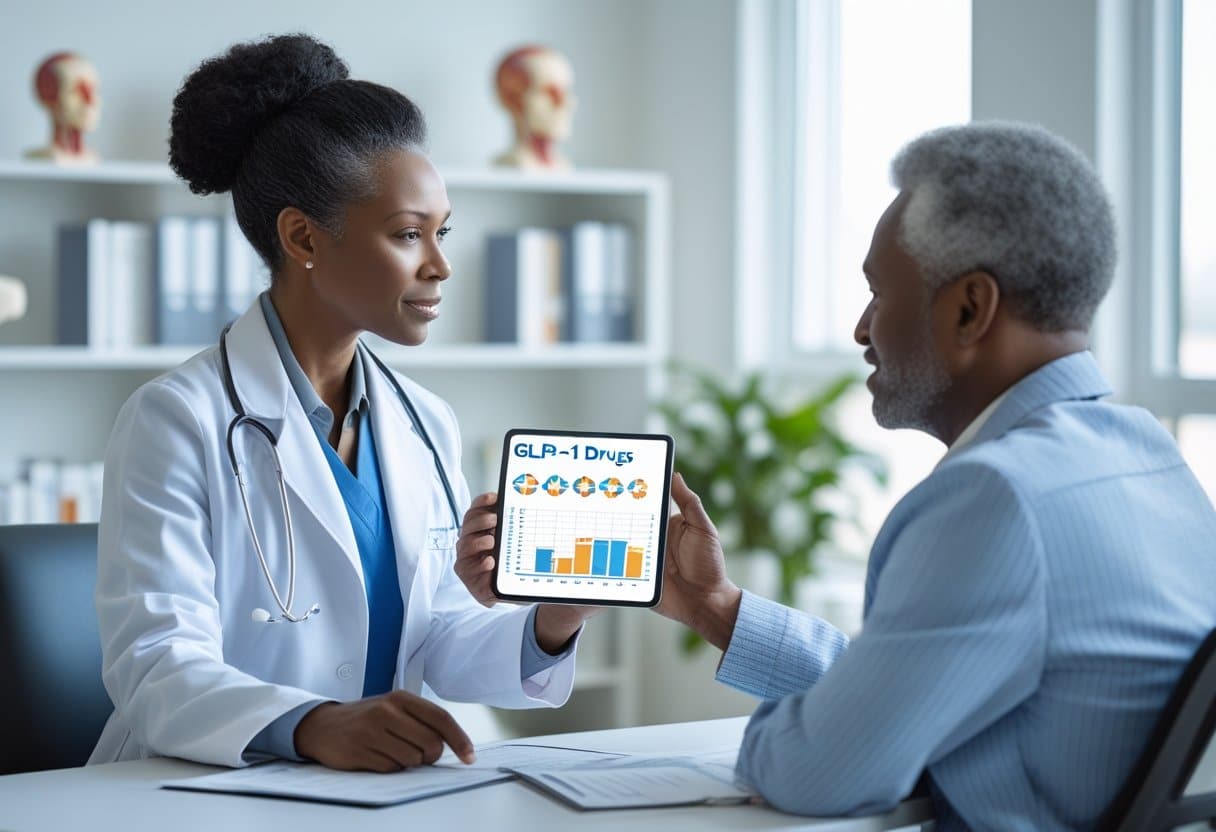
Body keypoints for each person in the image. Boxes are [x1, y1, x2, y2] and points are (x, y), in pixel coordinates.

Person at [656, 123, 1216, 829]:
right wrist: (718, 608)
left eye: (878, 293)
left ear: (970, 308)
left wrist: (791, 738)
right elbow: (902, 699)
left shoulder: (995, 497)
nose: (862, 329)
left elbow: (815, 770)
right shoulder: (1149, 459)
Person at [90, 34, 595, 772]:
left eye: (442, 233)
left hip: (366, 790)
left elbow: (439, 639)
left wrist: (554, 619)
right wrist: (312, 724)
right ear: (303, 237)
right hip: (197, 788)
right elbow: (156, 665)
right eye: (408, 234)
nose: (440, 265)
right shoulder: (175, 419)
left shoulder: (424, 421)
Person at [492, 45, 576, 170]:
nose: (564, 103)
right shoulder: (513, 165)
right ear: (513, 100)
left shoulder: (562, 167)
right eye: (550, 92)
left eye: (565, 91)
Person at [26, 51, 102, 163]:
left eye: (93, 90)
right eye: (74, 91)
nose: (90, 101)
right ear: (49, 100)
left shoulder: (91, 159)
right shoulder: (49, 159)